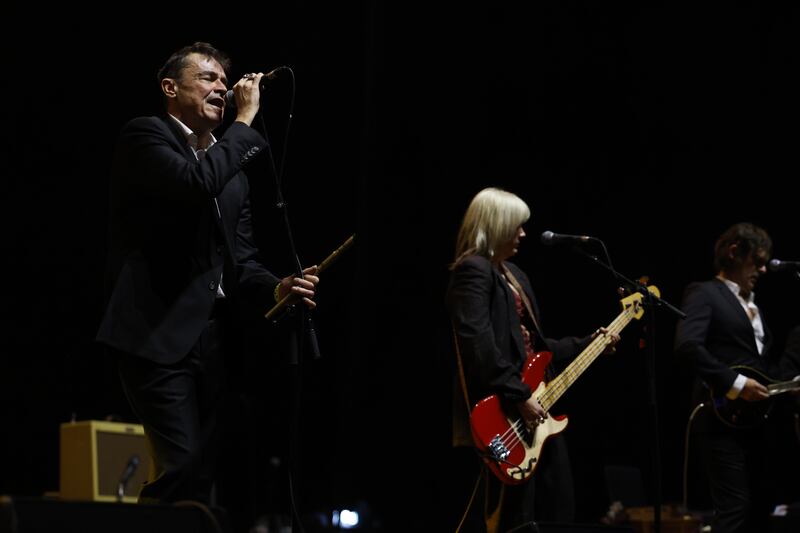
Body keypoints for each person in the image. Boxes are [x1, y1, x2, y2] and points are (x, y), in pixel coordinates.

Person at [96, 42, 319, 505]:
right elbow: (194, 185)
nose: (222, 87)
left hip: (216, 343)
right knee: (182, 466)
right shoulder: (146, 136)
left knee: (205, 479)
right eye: (208, 78)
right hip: (157, 334)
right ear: (170, 87)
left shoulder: (231, 170)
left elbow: (242, 258)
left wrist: (276, 285)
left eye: (224, 80)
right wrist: (243, 122)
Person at [446, 187, 618, 532]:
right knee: (512, 519)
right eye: (516, 225)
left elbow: (538, 346)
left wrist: (588, 344)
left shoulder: (515, 276)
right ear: (496, 225)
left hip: (532, 409)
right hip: (503, 413)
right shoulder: (473, 271)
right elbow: (478, 346)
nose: (523, 233)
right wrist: (519, 395)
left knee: (558, 508)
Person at [675, 222, 799, 533]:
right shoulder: (705, 292)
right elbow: (687, 344)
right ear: (733, 252)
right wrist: (736, 384)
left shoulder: (753, 304)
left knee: (760, 505)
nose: (762, 269)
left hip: (754, 421)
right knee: (734, 509)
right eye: (756, 261)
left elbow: (758, 367)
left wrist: (789, 385)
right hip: (720, 416)